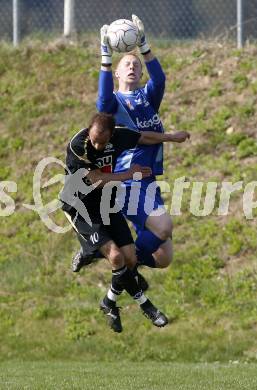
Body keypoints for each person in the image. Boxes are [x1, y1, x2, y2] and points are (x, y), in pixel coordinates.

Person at [61, 112, 188, 333]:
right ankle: (147, 306)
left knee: (130, 259)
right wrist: (129, 174)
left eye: (103, 141)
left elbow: (142, 137)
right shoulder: (78, 146)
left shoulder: (119, 135)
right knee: (116, 256)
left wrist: (171, 137)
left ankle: (108, 301)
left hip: (107, 204)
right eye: (94, 139)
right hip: (81, 208)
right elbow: (96, 179)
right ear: (88, 130)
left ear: (112, 135)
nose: (98, 145)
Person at [97, 15, 190, 273]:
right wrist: (105, 55)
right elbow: (102, 102)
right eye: (126, 63)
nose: (132, 67)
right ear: (116, 72)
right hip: (128, 181)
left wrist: (143, 45)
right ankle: (123, 266)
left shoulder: (147, 97)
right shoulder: (114, 103)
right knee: (164, 227)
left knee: (163, 257)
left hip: (148, 181)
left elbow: (159, 80)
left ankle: (126, 260)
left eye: (136, 65)